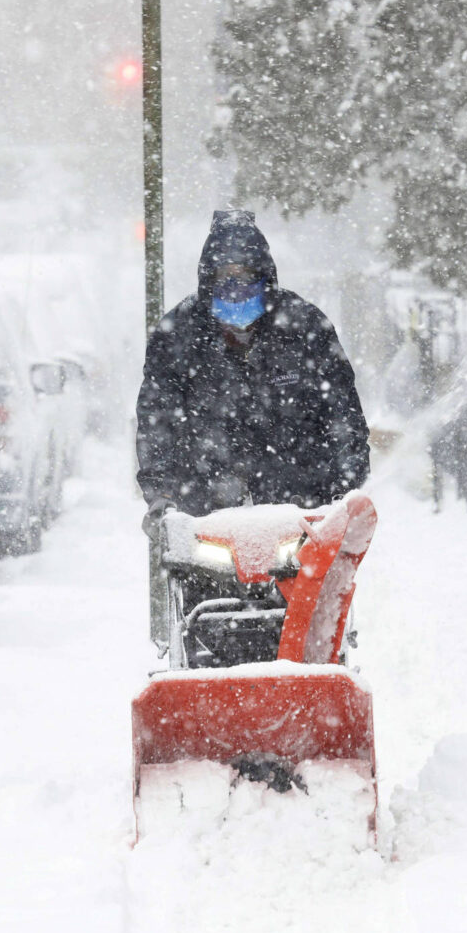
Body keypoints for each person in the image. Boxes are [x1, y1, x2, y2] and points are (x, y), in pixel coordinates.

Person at [136, 211, 370, 641]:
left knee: (307, 622)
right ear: (209, 284)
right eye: (226, 280)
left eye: (247, 279)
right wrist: (162, 496)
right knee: (203, 620)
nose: (237, 291)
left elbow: (343, 415)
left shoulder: (305, 329)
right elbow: (157, 421)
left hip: (297, 514)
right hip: (207, 514)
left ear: (267, 280)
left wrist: (345, 491)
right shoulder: (178, 336)